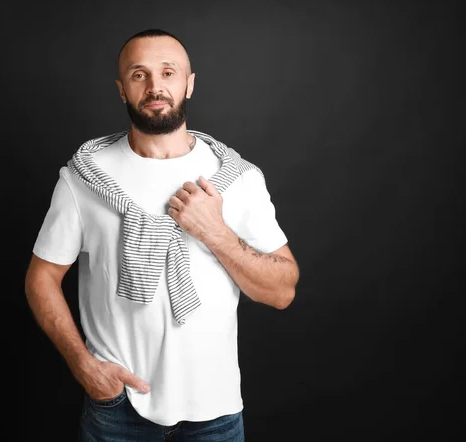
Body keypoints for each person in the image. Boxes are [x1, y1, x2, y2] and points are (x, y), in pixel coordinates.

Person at [24, 28, 300, 441]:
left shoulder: (238, 179)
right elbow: (41, 278)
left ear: (189, 83)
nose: (155, 86)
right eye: (139, 75)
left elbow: (282, 291)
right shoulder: (84, 178)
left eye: (168, 72)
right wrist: (85, 367)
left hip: (217, 412)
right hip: (118, 410)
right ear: (122, 90)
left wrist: (215, 232)